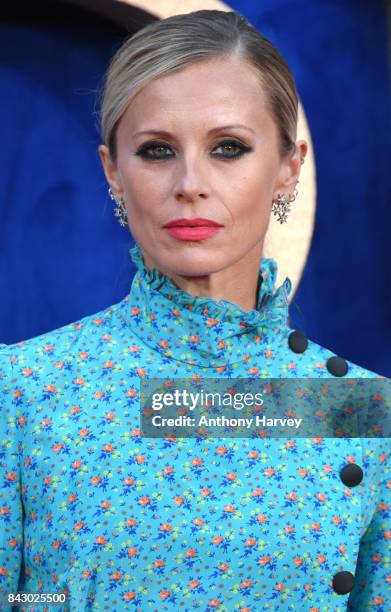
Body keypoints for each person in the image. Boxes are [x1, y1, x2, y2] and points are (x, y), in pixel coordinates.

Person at [0, 9, 389, 611]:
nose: (190, 183)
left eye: (228, 147)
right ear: (113, 172)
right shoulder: (23, 390)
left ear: (289, 169)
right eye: (157, 150)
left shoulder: (356, 409)